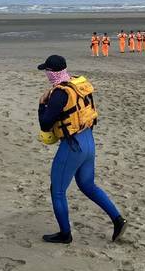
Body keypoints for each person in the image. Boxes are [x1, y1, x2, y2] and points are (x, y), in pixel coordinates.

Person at [36, 54, 127, 244]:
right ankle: (118, 220)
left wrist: (42, 104)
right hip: (88, 141)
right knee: (87, 185)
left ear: (52, 73)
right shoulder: (77, 84)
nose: (46, 74)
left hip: (73, 146)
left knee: (57, 190)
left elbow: (45, 125)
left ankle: (65, 234)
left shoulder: (59, 94)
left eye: (47, 71)